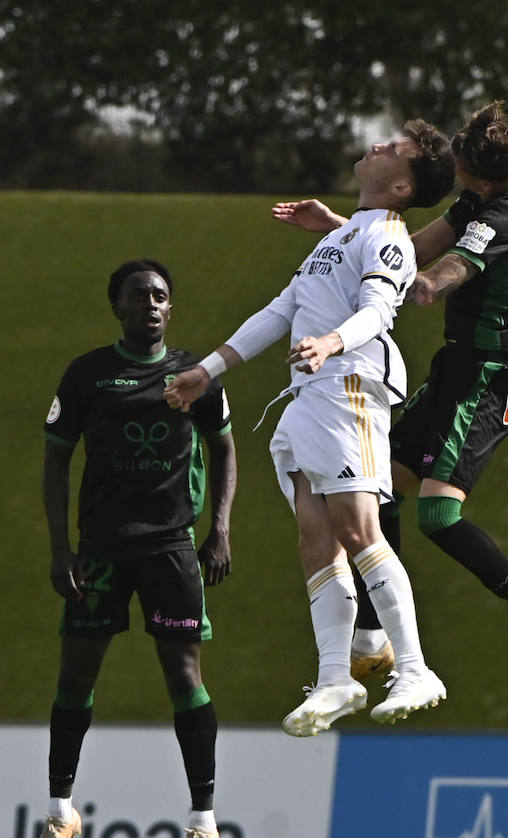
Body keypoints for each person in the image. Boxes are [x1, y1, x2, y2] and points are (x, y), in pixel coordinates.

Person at [272, 102, 508, 700]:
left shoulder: (505, 216)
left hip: (491, 378)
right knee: (378, 484)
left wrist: (408, 284)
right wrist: (347, 231)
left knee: (438, 514)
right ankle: (370, 637)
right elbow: (409, 248)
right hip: (456, 367)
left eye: (461, 172)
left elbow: (439, 274)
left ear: (481, 181)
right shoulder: (484, 195)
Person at [165, 121, 455, 735]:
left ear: (403, 186)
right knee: (314, 537)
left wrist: (330, 342)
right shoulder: (348, 231)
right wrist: (207, 372)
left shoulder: (388, 235)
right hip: (308, 396)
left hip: (348, 387)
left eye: (394, 149)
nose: (378, 145)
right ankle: (334, 679)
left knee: (359, 529)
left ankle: (415, 667)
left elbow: (379, 311)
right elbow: (281, 310)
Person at [30, 259, 237, 838]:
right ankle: (59, 814)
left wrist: (220, 529)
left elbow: (225, 450)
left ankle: (203, 825)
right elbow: (55, 461)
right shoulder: (87, 374)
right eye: (139, 295)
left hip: (171, 547)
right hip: (100, 548)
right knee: (75, 675)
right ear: (117, 306)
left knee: (184, 675)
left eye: (161, 296)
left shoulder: (197, 375)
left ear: (171, 307)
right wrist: (60, 548)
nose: (151, 304)